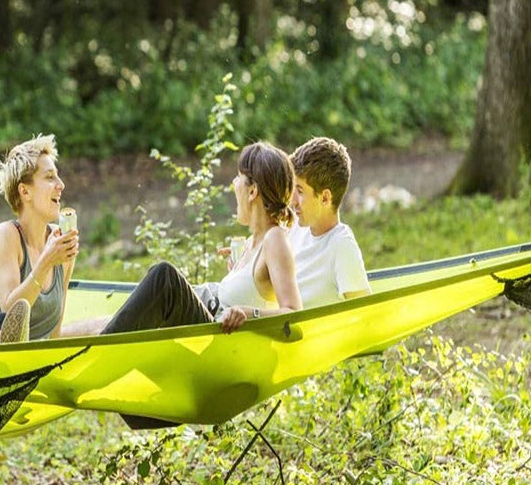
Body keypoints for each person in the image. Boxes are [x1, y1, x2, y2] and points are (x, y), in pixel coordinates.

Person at [99, 141, 303, 337]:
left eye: (238, 177)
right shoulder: (251, 244)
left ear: (252, 191)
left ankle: (102, 354)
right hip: (210, 310)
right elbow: (253, 290)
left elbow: (294, 319)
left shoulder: (275, 239)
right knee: (110, 320)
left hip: (216, 341)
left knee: (165, 277)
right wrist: (237, 272)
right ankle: (87, 345)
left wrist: (250, 314)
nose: (233, 184)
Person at [0, 134, 79, 346]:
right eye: (50, 177)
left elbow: (55, 331)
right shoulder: (7, 235)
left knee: (103, 325)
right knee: (7, 332)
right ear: (25, 191)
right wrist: (47, 261)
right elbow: (10, 308)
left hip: (35, 351)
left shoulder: (60, 244)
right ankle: (14, 354)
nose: (61, 185)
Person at [288, 137, 370, 308]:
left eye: (300, 191)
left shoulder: (341, 245)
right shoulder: (295, 229)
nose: (292, 201)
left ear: (325, 198)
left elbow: (366, 315)